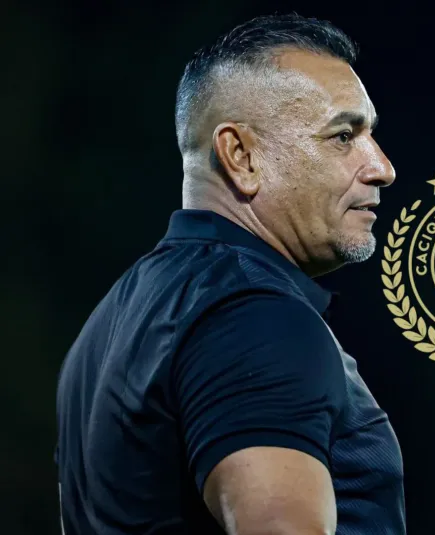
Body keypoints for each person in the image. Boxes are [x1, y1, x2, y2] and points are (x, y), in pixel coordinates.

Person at [55, 13, 404, 535]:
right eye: (342, 136)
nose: (382, 167)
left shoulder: (113, 320)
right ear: (240, 155)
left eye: (370, 134)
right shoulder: (254, 315)